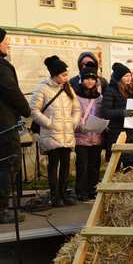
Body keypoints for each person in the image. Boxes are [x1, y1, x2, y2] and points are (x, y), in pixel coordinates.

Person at [31, 55, 81, 207]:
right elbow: (34, 110)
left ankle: (63, 193)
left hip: (67, 134)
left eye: (67, 74)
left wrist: (73, 122)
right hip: (51, 134)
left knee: (66, 165)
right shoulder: (42, 88)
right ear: (55, 75)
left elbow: (77, 108)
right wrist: (48, 123)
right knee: (53, 165)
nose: (67, 77)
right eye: (63, 75)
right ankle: (54, 196)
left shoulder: (68, 88)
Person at [0, 28, 30, 223]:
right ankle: (2, 210)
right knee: (7, 165)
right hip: (4, 126)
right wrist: (26, 109)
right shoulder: (2, 67)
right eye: (5, 41)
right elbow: (11, 91)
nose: (8, 44)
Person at [102, 62, 133, 167]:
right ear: (119, 77)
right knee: (115, 164)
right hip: (118, 132)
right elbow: (106, 112)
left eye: (129, 75)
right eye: (126, 76)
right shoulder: (111, 90)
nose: (129, 78)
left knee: (132, 164)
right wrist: (122, 112)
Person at [74, 62, 103, 201]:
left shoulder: (99, 97)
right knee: (82, 165)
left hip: (96, 136)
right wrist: (80, 124)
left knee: (95, 165)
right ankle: (81, 191)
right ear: (82, 79)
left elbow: (101, 113)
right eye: (87, 78)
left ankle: (93, 189)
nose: (90, 81)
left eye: (93, 79)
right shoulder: (75, 96)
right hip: (81, 136)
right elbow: (73, 113)